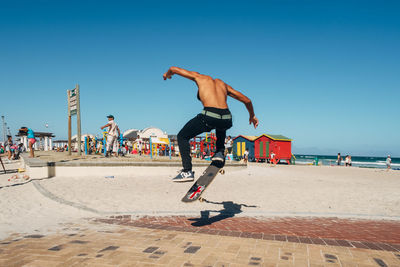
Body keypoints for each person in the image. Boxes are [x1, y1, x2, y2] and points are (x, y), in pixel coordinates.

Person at [163, 66, 259, 182]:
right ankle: (219, 152)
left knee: (182, 136)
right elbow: (247, 100)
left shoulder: (198, 77)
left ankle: (187, 170)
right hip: (227, 117)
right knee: (221, 124)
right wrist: (252, 116)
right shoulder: (223, 85)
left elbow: (173, 68)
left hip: (209, 115)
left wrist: (167, 75)